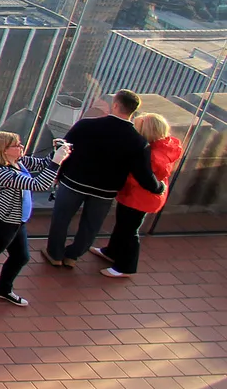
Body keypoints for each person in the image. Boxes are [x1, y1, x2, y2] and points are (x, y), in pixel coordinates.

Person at [46, 90, 163, 267]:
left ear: (115, 105)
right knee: (91, 225)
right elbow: (143, 174)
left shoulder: (86, 125)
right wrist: (158, 187)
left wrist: (57, 174)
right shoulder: (138, 142)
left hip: (73, 182)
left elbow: (63, 150)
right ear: (134, 110)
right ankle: (73, 256)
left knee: (61, 218)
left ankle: (55, 255)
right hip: (105, 190)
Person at [0, 131, 69, 307]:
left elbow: (42, 164)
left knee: (21, 257)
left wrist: (55, 152)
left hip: (18, 219)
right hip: (2, 220)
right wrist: (57, 161)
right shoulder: (1, 172)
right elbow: (39, 184)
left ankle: (3, 288)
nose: (21, 147)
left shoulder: (18, 161)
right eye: (16, 145)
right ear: (4, 150)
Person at [92, 113, 182, 278]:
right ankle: (112, 251)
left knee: (129, 230)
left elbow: (138, 177)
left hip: (138, 198)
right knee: (123, 226)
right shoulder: (163, 148)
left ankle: (126, 266)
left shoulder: (152, 155)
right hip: (140, 197)